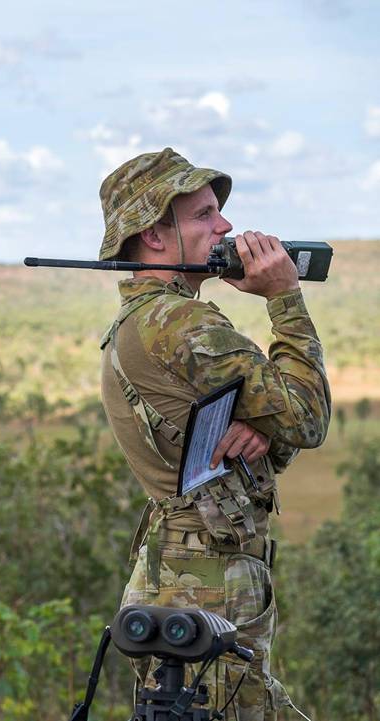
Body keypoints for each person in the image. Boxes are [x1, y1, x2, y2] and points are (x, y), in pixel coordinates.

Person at [97, 148, 330, 720]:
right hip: (204, 579)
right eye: (203, 214)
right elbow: (307, 417)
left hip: (191, 568)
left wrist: (263, 434)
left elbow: (279, 437)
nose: (225, 225)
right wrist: (284, 296)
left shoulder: (146, 319)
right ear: (154, 235)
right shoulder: (180, 322)